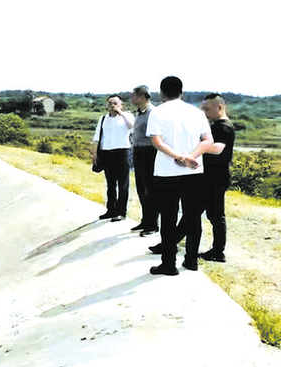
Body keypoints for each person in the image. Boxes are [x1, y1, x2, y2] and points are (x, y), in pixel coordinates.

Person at [146, 76, 213, 275]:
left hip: (167, 172)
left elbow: (157, 142)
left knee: (168, 217)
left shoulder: (157, 112)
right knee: (192, 217)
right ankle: (191, 260)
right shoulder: (197, 113)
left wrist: (178, 157)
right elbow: (207, 140)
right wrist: (190, 157)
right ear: (181, 92)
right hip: (194, 170)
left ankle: (169, 263)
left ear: (162, 92)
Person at [198, 93, 235, 262]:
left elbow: (216, 149)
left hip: (216, 178)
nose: (203, 112)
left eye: (206, 109)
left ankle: (218, 252)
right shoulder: (217, 126)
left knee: (213, 215)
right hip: (211, 177)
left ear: (219, 108)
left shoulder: (223, 127)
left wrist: (195, 147)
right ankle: (217, 251)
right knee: (209, 214)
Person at [91, 95, 135, 222]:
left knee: (123, 184)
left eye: (115, 103)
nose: (112, 105)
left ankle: (121, 211)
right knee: (110, 184)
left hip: (122, 152)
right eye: (110, 103)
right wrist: (94, 154)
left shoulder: (127, 117)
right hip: (107, 153)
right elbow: (97, 137)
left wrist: (121, 113)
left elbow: (132, 126)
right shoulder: (103, 119)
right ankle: (111, 209)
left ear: (121, 104)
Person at [130, 85, 159, 236]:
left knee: (150, 188)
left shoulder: (153, 112)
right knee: (141, 187)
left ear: (142, 96)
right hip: (138, 151)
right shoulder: (139, 112)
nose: (132, 98)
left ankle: (153, 224)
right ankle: (145, 219)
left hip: (149, 151)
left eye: (134, 95)